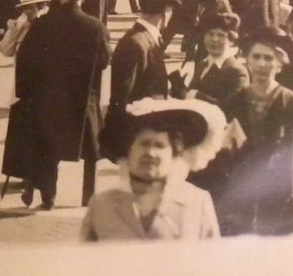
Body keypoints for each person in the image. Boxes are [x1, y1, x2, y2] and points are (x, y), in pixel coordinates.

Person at [12, 0, 112, 209]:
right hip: (82, 103)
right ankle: (88, 196)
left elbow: (25, 60)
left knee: (48, 148)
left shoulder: (44, 24)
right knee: (89, 152)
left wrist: (26, 95)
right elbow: (104, 62)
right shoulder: (95, 26)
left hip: (48, 101)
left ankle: (49, 197)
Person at [205, 28, 293, 236]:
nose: (261, 64)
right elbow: (217, 155)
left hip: (279, 198)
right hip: (240, 199)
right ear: (247, 60)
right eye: (256, 57)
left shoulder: (292, 104)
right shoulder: (234, 102)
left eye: (269, 58)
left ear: (279, 64)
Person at [81, 99, 224, 241]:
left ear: (173, 153)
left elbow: (213, 260)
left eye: (160, 145)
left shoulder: (197, 202)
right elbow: (83, 260)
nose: (150, 152)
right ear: (128, 151)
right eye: (144, 144)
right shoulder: (101, 204)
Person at [102, 0, 179, 157]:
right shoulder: (136, 43)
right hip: (137, 134)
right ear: (166, 11)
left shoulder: (144, 38)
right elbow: (121, 96)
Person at [172, 4, 248, 108]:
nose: (214, 39)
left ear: (231, 41)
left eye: (220, 35)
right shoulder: (203, 64)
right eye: (210, 34)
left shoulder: (237, 71)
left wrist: (196, 95)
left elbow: (233, 109)